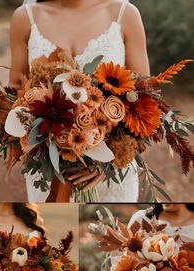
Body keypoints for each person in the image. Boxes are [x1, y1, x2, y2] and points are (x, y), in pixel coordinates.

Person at [9, 0, 150, 202]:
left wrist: (108, 162)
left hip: (110, 177)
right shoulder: (25, 18)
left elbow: (144, 100)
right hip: (49, 169)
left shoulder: (125, 15)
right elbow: (15, 91)